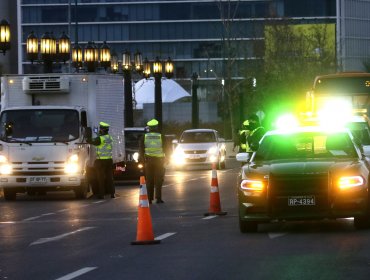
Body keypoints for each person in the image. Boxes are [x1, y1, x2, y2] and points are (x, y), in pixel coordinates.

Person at [139, 119, 166, 204]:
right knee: (158, 180)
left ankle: (149, 199)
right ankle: (158, 198)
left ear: (149, 128)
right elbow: (166, 148)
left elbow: (141, 149)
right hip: (159, 161)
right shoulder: (161, 136)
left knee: (149, 180)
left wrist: (142, 160)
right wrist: (167, 158)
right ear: (156, 127)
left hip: (148, 161)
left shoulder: (144, 136)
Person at [87, 121, 115, 199]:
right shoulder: (109, 137)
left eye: (100, 129)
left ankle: (101, 195)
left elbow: (92, 141)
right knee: (110, 178)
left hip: (101, 161)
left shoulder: (100, 138)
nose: (99, 130)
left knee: (101, 178)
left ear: (102, 130)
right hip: (109, 160)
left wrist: (87, 138)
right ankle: (112, 194)